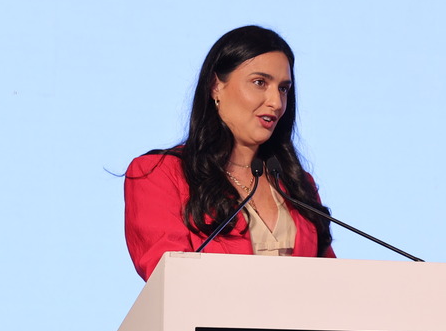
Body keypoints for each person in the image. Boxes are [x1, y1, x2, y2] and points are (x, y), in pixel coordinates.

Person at [124, 25, 335, 280]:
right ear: (215, 86)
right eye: (260, 83)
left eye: (283, 88)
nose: (276, 102)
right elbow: (169, 279)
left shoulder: (297, 185)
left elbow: (332, 280)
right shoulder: (158, 174)